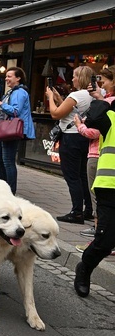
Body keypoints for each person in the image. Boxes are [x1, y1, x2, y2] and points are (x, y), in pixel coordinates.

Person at [72, 98, 115, 297]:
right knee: (105, 241)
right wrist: (104, 98)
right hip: (110, 188)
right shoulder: (110, 119)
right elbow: (92, 117)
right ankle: (85, 268)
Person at [47, 65, 94, 224]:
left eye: (74, 76)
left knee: (72, 176)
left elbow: (56, 114)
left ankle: (76, 212)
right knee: (82, 175)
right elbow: (74, 112)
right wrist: (60, 99)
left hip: (71, 137)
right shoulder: (94, 94)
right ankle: (88, 209)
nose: (72, 79)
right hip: (84, 137)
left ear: (80, 78)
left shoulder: (76, 94)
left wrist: (50, 98)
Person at [75, 67, 115, 238]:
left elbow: (95, 130)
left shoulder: (110, 103)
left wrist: (79, 126)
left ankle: (101, 234)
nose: (102, 84)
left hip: (101, 157)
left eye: (105, 80)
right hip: (101, 155)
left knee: (100, 199)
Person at [0, 67, 35, 194]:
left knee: (8, 161)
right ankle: (3, 186)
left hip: (11, 130)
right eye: (6, 76)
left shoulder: (20, 92)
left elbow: (15, 111)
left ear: (18, 78)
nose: (6, 79)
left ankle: (10, 191)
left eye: (10, 76)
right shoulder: (10, 92)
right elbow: (1, 110)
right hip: (2, 129)